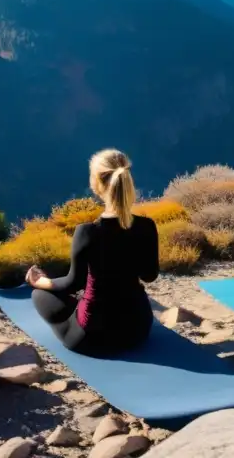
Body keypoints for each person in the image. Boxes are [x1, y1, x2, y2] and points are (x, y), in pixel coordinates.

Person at [26, 149, 159, 353]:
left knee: (39, 296)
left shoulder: (87, 232)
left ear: (96, 182)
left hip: (95, 335)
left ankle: (44, 291)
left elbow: (73, 282)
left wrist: (40, 281)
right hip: (137, 328)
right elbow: (149, 276)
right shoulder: (146, 226)